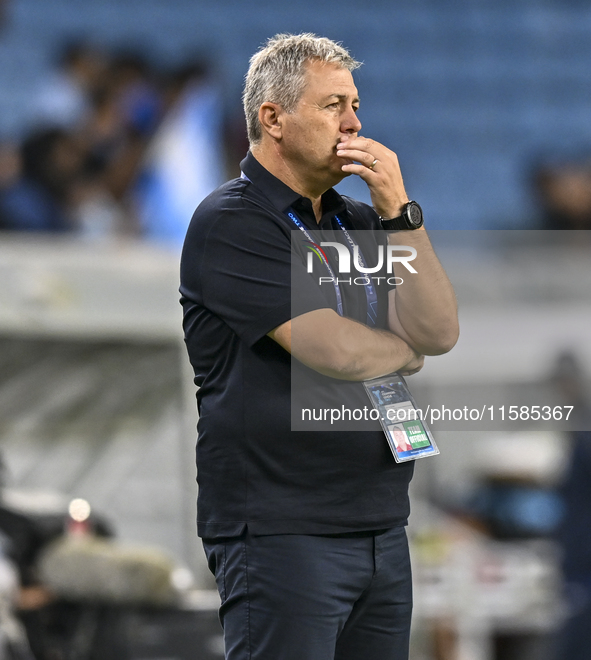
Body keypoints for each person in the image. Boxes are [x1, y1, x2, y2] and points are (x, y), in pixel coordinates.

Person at [180, 33, 459, 660]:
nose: (355, 123)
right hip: (284, 530)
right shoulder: (234, 220)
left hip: (381, 524)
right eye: (334, 105)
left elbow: (439, 332)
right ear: (272, 118)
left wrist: (398, 212)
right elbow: (335, 351)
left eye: (355, 104)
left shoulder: (358, 221)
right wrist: (403, 349)